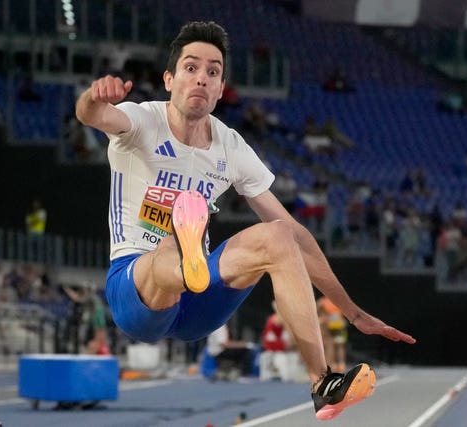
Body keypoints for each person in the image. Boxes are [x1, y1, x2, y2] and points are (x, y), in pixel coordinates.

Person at [75, 20, 415, 421]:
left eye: (213, 72)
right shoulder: (141, 121)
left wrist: (351, 311)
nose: (201, 78)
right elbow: (91, 114)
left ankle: (322, 384)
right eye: (191, 68)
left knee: (278, 236)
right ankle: (183, 257)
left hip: (198, 306)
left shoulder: (230, 146)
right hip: (135, 290)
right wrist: (95, 96)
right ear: (169, 79)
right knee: (168, 246)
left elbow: (300, 238)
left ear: (221, 89)